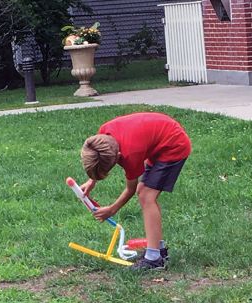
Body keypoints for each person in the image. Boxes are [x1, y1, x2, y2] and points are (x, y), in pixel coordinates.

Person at [80, 112, 191, 271]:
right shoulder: (101, 137)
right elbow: (97, 158)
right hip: (158, 139)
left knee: (146, 196)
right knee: (145, 193)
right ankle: (158, 250)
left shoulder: (131, 154)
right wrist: (92, 180)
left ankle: (154, 259)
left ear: (119, 156)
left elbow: (130, 189)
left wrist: (112, 209)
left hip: (173, 145)